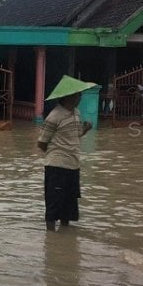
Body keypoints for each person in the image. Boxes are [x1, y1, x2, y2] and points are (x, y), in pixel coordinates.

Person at [37, 75, 95, 232]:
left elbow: (75, 136)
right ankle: (50, 237)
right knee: (54, 203)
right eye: (78, 95)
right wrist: (58, 154)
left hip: (73, 165)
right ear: (69, 97)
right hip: (57, 166)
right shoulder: (54, 116)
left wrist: (85, 129)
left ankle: (64, 238)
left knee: (68, 205)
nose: (80, 98)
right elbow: (41, 143)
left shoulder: (76, 113)